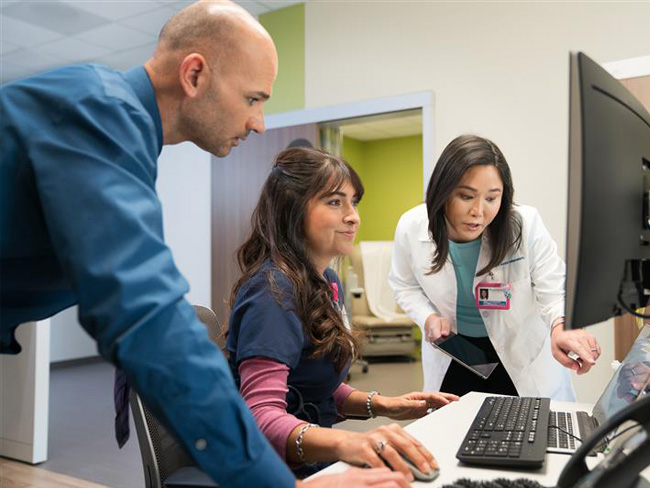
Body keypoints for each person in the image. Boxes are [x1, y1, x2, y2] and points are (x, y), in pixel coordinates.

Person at [0, 2, 409, 487]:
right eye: (253, 99)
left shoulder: (121, 132)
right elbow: (147, 319)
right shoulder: (99, 112)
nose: (259, 122)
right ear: (194, 74)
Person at [226, 147, 459, 481]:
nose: (353, 216)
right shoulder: (273, 293)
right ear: (293, 209)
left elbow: (311, 383)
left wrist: (383, 405)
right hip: (277, 473)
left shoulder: (324, 282)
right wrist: (349, 442)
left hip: (309, 460)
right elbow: (261, 417)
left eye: (354, 202)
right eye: (335, 202)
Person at [388, 134, 602, 401]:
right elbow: (404, 285)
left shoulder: (524, 225)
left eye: (492, 198)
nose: (479, 211)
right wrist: (427, 317)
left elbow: (554, 287)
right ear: (442, 192)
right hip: (457, 356)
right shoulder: (412, 226)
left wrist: (560, 326)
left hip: (519, 357)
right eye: (466, 196)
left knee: (531, 435)